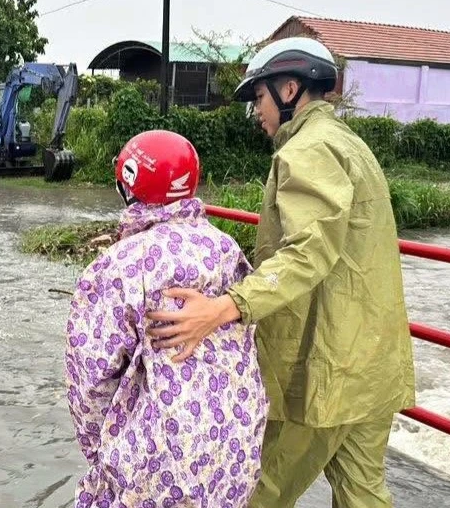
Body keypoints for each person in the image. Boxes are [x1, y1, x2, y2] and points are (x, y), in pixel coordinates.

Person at [145, 37, 416, 507]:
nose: (257, 112)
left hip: (325, 371)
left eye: (259, 98)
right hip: (371, 366)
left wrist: (225, 307)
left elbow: (308, 251)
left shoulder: (306, 151)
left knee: (255, 492)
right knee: (363, 496)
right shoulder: (350, 144)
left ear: (290, 89)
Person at [64, 130, 268, 508]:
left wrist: (102, 455)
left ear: (129, 185)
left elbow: (89, 380)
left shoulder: (117, 267)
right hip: (238, 447)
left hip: (160, 463)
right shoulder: (226, 248)